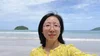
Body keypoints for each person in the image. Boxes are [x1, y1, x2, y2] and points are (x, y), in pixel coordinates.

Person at [30, 12, 96, 56]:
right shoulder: (34, 53)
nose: (52, 29)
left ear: (60, 30)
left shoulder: (69, 50)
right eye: (47, 25)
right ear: (41, 30)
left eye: (56, 25)